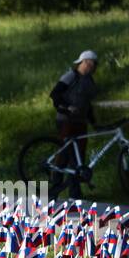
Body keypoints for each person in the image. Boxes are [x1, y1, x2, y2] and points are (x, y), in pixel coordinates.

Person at [48, 49, 98, 199]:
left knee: (78, 159)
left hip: (81, 122)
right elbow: (55, 95)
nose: (93, 67)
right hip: (66, 121)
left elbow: (87, 104)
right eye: (91, 64)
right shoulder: (71, 76)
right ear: (84, 63)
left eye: (94, 65)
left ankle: (74, 194)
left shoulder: (89, 82)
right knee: (65, 155)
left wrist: (94, 122)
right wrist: (67, 107)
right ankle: (55, 189)